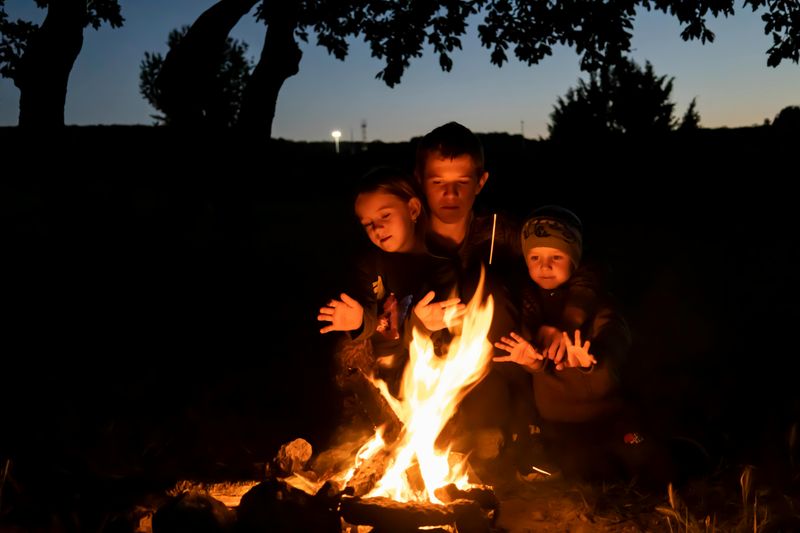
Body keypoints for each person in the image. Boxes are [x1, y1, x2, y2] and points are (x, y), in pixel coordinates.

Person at [493, 205, 674, 486]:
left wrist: (592, 362)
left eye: (556, 256)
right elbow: (537, 362)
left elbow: (615, 344)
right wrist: (532, 363)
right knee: (577, 468)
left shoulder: (597, 305)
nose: (545, 265)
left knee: (642, 452)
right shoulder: (531, 306)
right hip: (559, 424)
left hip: (609, 418)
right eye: (535, 257)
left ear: (575, 259)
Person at [409, 121, 534, 462]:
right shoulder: (403, 239)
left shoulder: (502, 233)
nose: (450, 195)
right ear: (420, 180)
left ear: (480, 182)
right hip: (424, 375)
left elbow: (574, 262)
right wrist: (415, 324)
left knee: (488, 284)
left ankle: (506, 425)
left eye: (462, 183)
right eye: (438, 183)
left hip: (497, 372)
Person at [317, 166, 460, 408]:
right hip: (383, 362)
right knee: (346, 354)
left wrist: (428, 326)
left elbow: (455, 326)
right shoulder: (369, 264)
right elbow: (369, 312)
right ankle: (364, 421)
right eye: (368, 223)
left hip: (426, 365)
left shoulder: (440, 265)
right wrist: (359, 321)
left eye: (385, 216)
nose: (377, 228)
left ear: (413, 209)